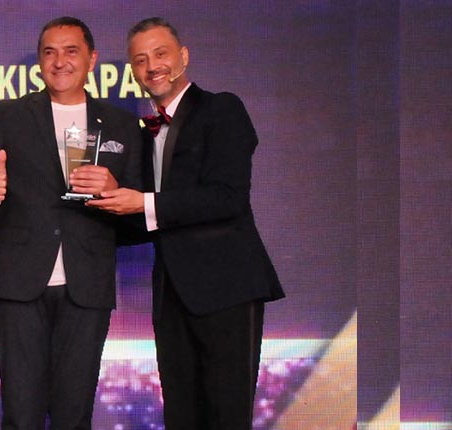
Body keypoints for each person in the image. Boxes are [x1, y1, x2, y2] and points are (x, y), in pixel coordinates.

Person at [87, 17, 285, 429]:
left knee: (226, 415)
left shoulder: (221, 109)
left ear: (184, 56)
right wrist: (103, 201)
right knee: (181, 415)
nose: (152, 66)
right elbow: (147, 218)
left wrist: (141, 201)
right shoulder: (144, 133)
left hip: (227, 287)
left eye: (160, 54)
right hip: (171, 295)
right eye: (140, 60)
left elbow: (227, 197)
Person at [0, 16, 142, 429]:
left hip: (87, 284)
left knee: (74, 415)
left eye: (71, 51)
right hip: (19, 283)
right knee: (21, 414)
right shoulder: (9, 114)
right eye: (50, 52)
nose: (60, 61)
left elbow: (138, 213)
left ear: (92, 59)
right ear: (40, 61)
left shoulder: (120, 124)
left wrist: (114, 191)